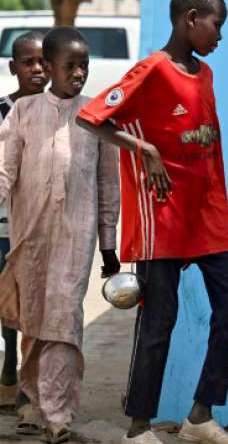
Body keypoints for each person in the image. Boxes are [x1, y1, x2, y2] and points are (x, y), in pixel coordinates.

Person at [76, 0, 228, 444]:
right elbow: (92, 117)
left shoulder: (206, 73)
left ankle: (200, 415)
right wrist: (145, 149)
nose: (220, 36)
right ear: (191, 18)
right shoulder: (151, 69)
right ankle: (138, 428)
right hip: (163, 215)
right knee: (159, 319)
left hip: (210, 213)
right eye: (217, 25)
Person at [0, 27, 120, 444]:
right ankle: (33, 401)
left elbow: (108, 187)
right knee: (33, 320)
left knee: (65, 319)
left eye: (84, 65)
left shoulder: (96, 116)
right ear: (48, 67)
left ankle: (59, 415)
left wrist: (109, 244)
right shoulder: (23, 112)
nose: (80, 73)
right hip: (29, 236)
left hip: (77, 236)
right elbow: (5, 170)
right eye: (71, 66)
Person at [0, 30, 48, 407]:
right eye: (27, 62)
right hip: (4, 223)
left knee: (31, 301)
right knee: (5, 297)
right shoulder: (2, 109)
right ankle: (9, 359)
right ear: (13, 66)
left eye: (42, 62)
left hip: (38, 225)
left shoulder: (56, 112)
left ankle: (27, 381)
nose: (36, 69)